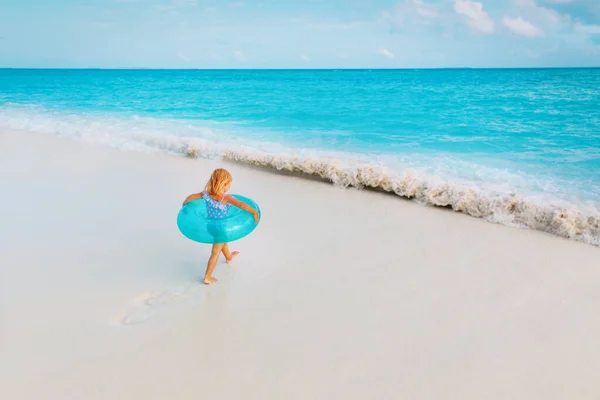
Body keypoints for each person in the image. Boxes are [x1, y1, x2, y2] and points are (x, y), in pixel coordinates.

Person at [182, 169, 259, 284]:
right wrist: (254, 212)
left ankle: (229, 257)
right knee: (215, 253)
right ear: (223, 184)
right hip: (221, 228)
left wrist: (185, 204)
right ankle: (207, 277)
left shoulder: (206, 194)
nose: (229, 187)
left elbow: (191, 197)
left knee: (223, 242)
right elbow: (241, 204)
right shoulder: (225, 198)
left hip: (211, 227)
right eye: (228, 184)